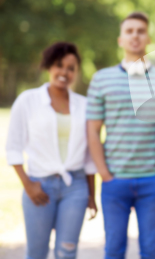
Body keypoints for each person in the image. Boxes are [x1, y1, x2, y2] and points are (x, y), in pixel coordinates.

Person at [86, 12, 155, 259]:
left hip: (153, 180)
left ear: (148, 38)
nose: (135, 35)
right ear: (120, 39)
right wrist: (104, 174)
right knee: (113, 249)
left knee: (150, 249)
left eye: (140, 31)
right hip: (114, 181)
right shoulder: (101, 79)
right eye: (129, 31)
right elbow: (92, 131)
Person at [6, 42, 97, 259]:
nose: (64, 72)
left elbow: (88, 156)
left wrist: (92, 195)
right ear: (49, 66)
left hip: (75, 187)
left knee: (67, 252)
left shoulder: (84, 105)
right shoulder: (28, 101)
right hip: (40, 186)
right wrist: (28, 185)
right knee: (36, 253)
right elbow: (13, 146)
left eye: (71, 68)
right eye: (59, 65)